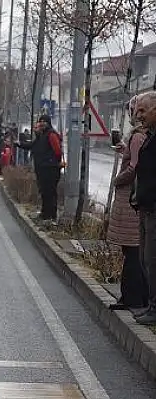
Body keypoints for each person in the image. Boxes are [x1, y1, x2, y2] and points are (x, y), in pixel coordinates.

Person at [107, 94, 148, 311]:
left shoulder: (137, 136)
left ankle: (132, 297)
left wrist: (117, 179)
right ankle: (136, 296)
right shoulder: (142, 136)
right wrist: (124, 150)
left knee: (131, 252)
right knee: (135, 252)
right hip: (134, 199)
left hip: (129, 200)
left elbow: (134, 167)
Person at [132, 91, 156, 325]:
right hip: (146, 208)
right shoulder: (149, 136)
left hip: (153, 209)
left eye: (142, 110)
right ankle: (151, 304)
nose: (138, 116)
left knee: (152, 259)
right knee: (146, 259)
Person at [18, 115, 63, 220]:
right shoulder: (41, 137)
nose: (41, 124)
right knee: (44, 193)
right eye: (40, 122)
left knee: (50, 193)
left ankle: (51, 216)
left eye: (44, 122)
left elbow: (57, 152)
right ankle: (45, 214)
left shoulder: (51, 135)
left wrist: (53, 163)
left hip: (50, 170)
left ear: (48, 123)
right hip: (43, 169)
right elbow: (31, 146)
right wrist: (19, 144)